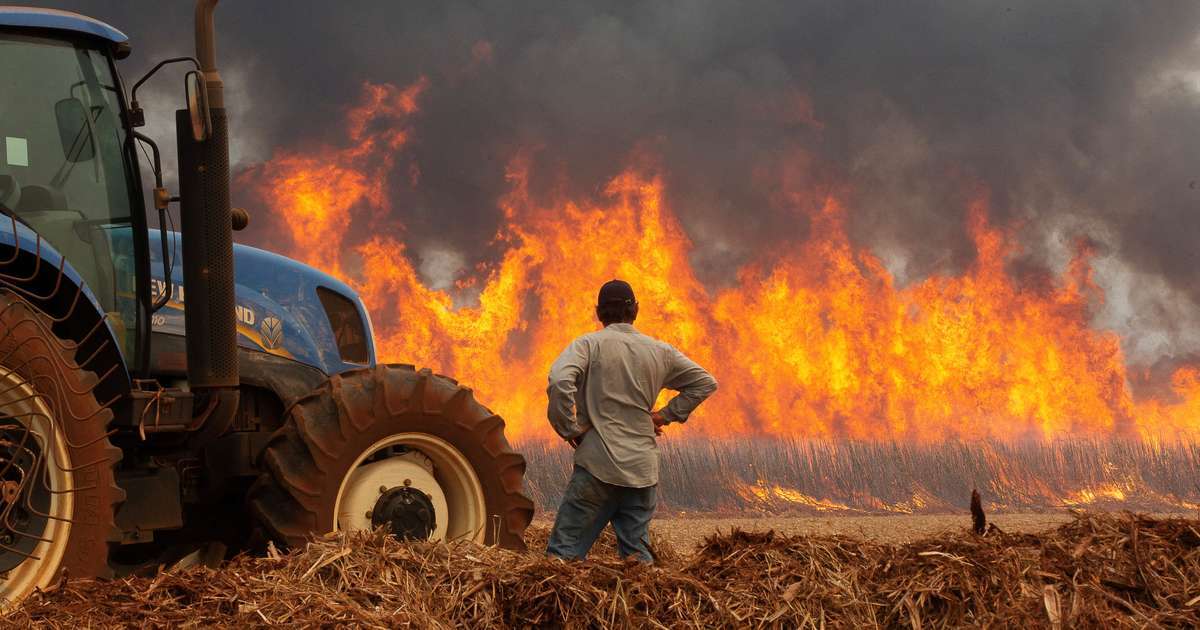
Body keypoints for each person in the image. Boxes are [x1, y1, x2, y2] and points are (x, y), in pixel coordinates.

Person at [545, 279, 717, 563]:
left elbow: (561, 380)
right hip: (642, 472)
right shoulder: (660, 351)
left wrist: (569, 429)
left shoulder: (588, 345)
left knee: (562, 559)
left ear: (599, 312)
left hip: (597, 467)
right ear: (635, 310)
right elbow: (705, 382)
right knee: (638, 565)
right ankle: (644, 607)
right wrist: (664, 415)